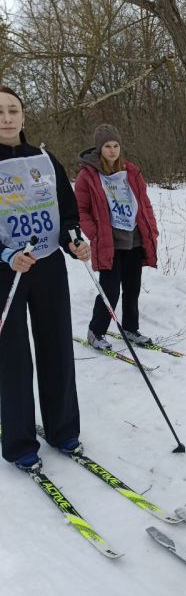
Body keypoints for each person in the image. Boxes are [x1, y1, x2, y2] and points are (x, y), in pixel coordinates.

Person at [0, 84, 90, 469]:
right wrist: (6, 255)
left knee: (55, 343)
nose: (7, 118)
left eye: (13, 110)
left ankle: (63, 428)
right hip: (8, 269)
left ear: (23, 114)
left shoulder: (44, 158)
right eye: (0, 112)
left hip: (48, 263)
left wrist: (74, 240)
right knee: (14, 355)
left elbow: (67, 212)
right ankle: (20, 442)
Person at [74, 124, 159, 350]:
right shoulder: (88, 176)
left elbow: (144, 203)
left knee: (132, 288)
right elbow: (80, 210)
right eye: (107, 146)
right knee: (109, 290)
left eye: (116, 145)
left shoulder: (130, 171)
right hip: (110, 242)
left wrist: (152, 228)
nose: (112, 150)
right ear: (99, 148)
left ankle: (131, 327)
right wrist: (95, 233)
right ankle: (96, 331)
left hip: (134, 239)